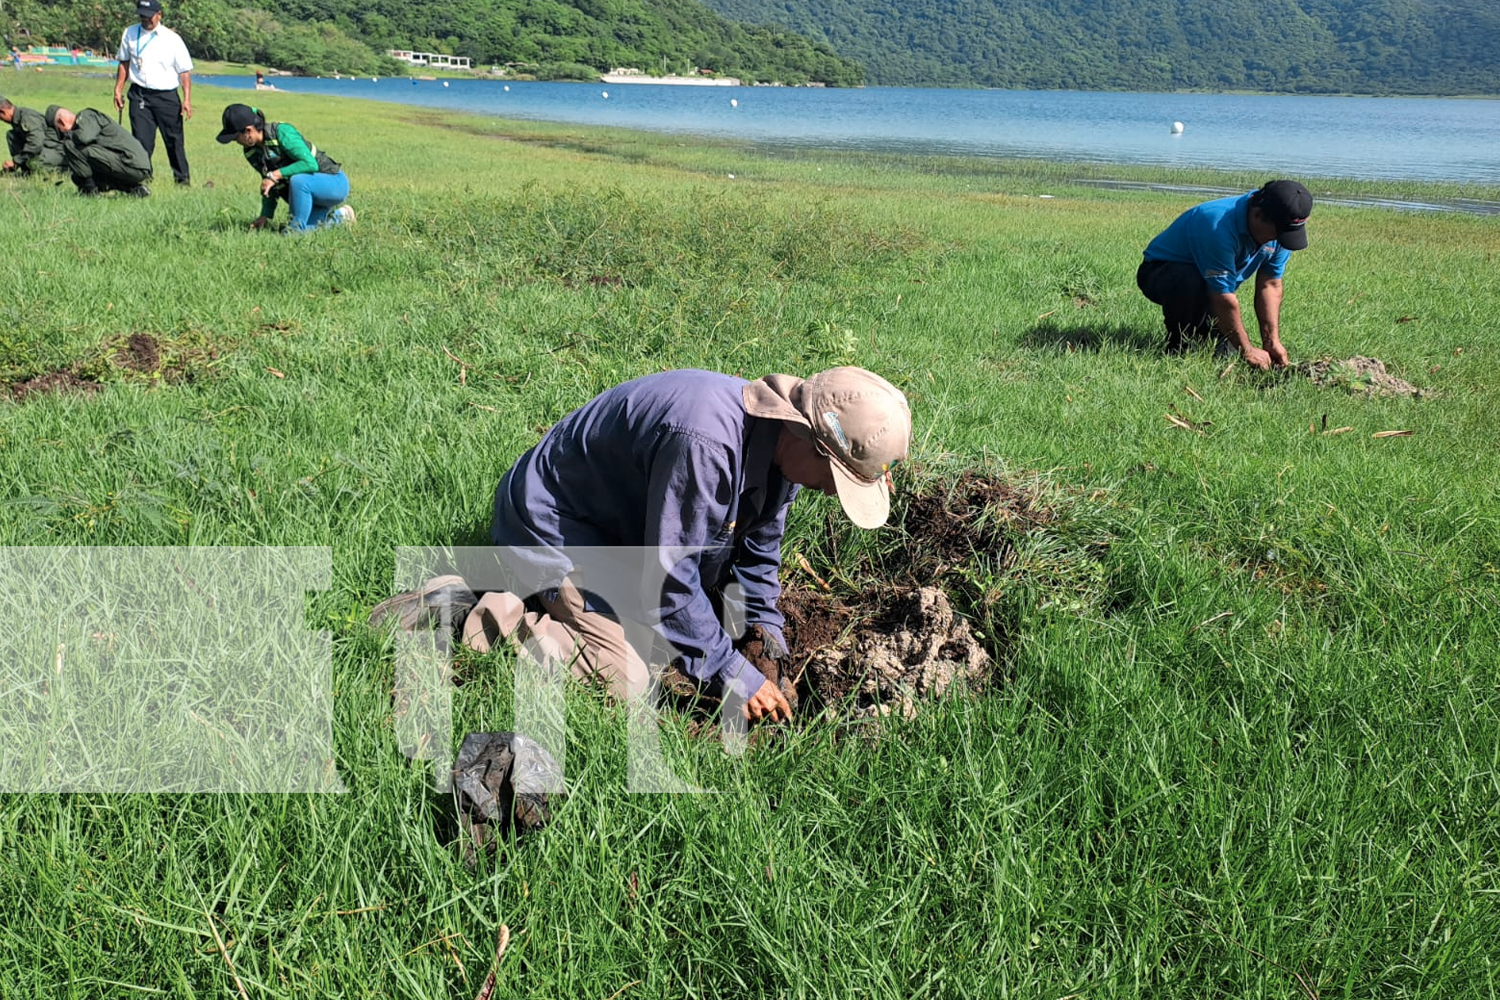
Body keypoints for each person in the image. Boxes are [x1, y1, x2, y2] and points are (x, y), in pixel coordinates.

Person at [372, 367, 913, 724]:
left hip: (624, 537)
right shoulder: (705, 442)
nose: (824, 491)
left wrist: (765, 633)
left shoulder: (781, 450)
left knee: (692, 631)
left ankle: (574, 610)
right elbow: (670, 582)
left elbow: (761, 550)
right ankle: (477, 607)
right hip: (553, 531)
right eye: (832, 479)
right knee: (632, 682)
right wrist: (732, 672)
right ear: (806, 438)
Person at [1136, 179, 1313, 370]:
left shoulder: (1281, 229)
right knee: (1190, 282)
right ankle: (1178, 350)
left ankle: (1204, 333)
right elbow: (1222, 296)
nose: (1278, 240)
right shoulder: (1216, 224)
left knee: (1225, 354)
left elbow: (1269, 284)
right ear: (1257, 214)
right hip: (1161, 273)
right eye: (1277, 234)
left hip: (1212, 285)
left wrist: (1271, 341)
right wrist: (1247, 350)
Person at [216, 103, 353, 232]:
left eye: (236, 137)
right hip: (309, 195)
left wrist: (275, 175)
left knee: (298, 183)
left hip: (334, 184)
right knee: (306, 231)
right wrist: (265, 215)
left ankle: (295, 229)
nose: (235, 141)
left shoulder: (282, 132)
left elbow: (309, 164)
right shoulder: (250, 151)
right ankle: (341, 217)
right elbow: (269, 183)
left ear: (248, 131)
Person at [113, 0, 193, 185]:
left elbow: (184, 72)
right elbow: (124, 62)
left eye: (149, 16)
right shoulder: (130, 33)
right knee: (141, 142)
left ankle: (182, 181)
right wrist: (118, 89)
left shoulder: (172, 39)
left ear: (159, 14)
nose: (145, 19)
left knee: (174, 141)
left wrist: (187, 100)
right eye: (142, 15)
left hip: (166, 97)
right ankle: (142, 180)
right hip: (139, 94)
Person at [45, 105, 152, 196]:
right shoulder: (85, 122)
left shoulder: (87, 116)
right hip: (131, 165)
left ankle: (90, 193)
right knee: (78, 177)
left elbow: (84, 137)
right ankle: (135, 189)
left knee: (71, 146)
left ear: (62, 122)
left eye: (60, 132)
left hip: (131, 163)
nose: (62, 136)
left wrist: (68, 136)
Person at [1, 97, 64, 174]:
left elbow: (36, 144)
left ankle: (63, 170)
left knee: (35, 163)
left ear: (3, 112)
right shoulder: (17, 118)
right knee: (11, 135)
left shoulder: (28, 118)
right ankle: (27, 171)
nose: (2, 120)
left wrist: (16, 161)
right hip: (44, 149)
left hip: (55, 150)